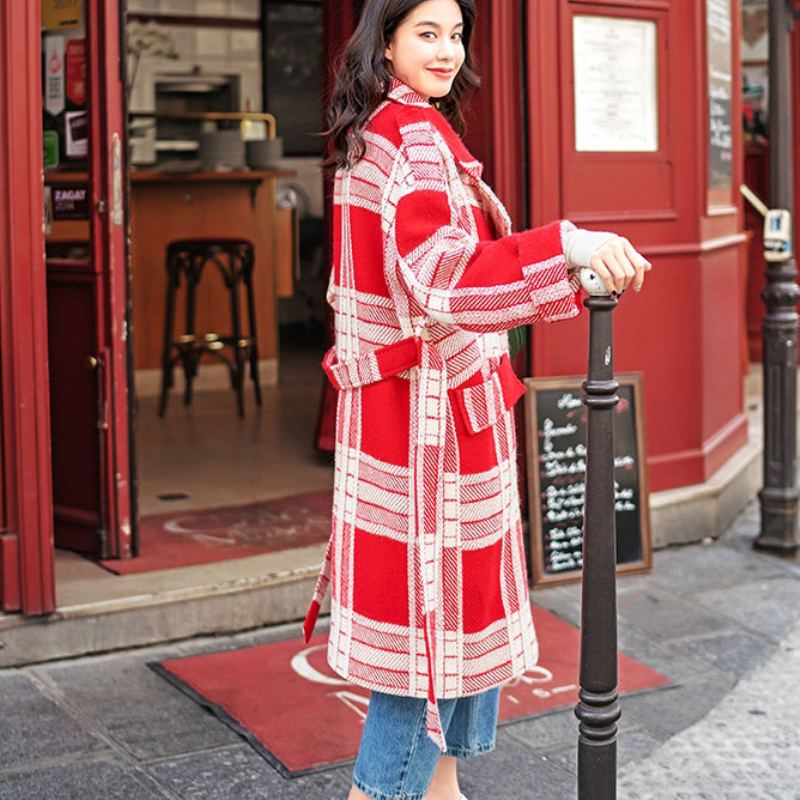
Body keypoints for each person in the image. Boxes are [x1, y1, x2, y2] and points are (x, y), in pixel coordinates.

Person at [300, 1, 651, 798]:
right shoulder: (413, 141)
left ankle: (442, 789)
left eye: (456, 34)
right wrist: (565, 245)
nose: (448, 50)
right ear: (383, 39)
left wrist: (557, 265)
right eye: (427, 32)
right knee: (426, 638)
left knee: (438, 623)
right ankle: (381, 792)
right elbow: (447, 279)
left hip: (415, 411)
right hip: (427, 421)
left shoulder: (384, 132)